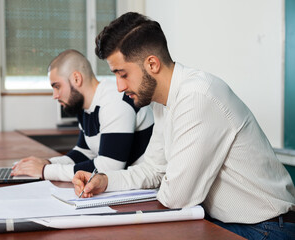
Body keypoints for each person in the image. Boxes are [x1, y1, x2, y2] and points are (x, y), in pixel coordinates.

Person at [72, 12, 295, 240]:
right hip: (229, 222)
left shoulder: (197, 96)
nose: (119, 87)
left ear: (152, 64)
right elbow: (155, 170)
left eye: (123, 74)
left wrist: (166, 181)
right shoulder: (163, 102)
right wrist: (106, 181)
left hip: (267, 229)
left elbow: (177, 197)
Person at [11, 49, 154, 181]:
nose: (55, 96)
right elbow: (84, 153)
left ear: (76, 79)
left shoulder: (114, 101)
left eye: (57, 86)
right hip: (126, 183)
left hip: (145, 187)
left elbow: (108, 169)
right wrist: (47, 163)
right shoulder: (86, 107)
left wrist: (45, 171)